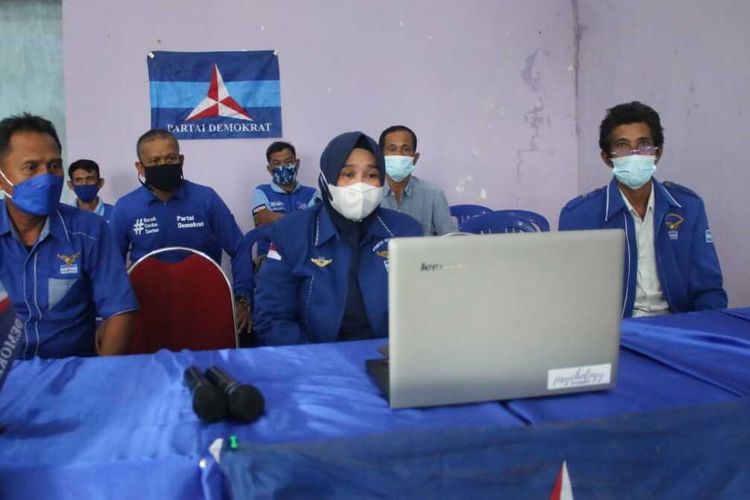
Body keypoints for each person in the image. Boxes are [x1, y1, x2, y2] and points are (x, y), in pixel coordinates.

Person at [559, 101, 727, 317]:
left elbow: (709, 290)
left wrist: (705, 336)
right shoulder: (580, 216)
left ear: (658, 152)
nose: (635, 154)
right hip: (616, 333)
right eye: (622, 145)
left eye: (644, 144)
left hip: (679, 327)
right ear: (607, 158)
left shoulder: (688, 207)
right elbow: (573, 296)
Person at [254, 131, 422, 345]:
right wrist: (319, 363)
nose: (360, 186)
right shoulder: (291, 232)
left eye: (371, 175)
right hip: (315, 362)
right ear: (327, 179)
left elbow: (422, 311)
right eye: (348, 175)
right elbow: (272, 318)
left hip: (389, 360)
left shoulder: (405, 231)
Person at [0, 113, 137, 358]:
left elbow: (120, 311)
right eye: (31, 167)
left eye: (54, 166)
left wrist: (99, 376)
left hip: (71, 370)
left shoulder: (90, 230)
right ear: (2, 178)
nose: (47, 178)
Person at [110, 129, 253, 332]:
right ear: (140, 167)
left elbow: (240, 247)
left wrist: (243, 298)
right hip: (146, 307)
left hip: (205, 303)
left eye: (170, 158)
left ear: (181, 160)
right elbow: (111, 266)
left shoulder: (206, 199)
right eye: (155, 161)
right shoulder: (125, 207)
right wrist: (111, 315)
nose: (164, 165)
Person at [379, 125, 457, 235]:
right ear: (380, 157)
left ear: (415, 158)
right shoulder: (370, 194)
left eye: (406, 149)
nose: (399, 155)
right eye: (392, 149)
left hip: (424, 252)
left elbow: (451, 239)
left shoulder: (434, 194)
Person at [251, 141, 317, 227]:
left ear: (297, 164)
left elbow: (313, 224)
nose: (283, 167)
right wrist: (301, 220)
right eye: (277, 164)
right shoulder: (260, 192)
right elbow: (262, 219)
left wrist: (275, 217)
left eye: (288, 162)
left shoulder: (313, 194)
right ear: (269, 169)